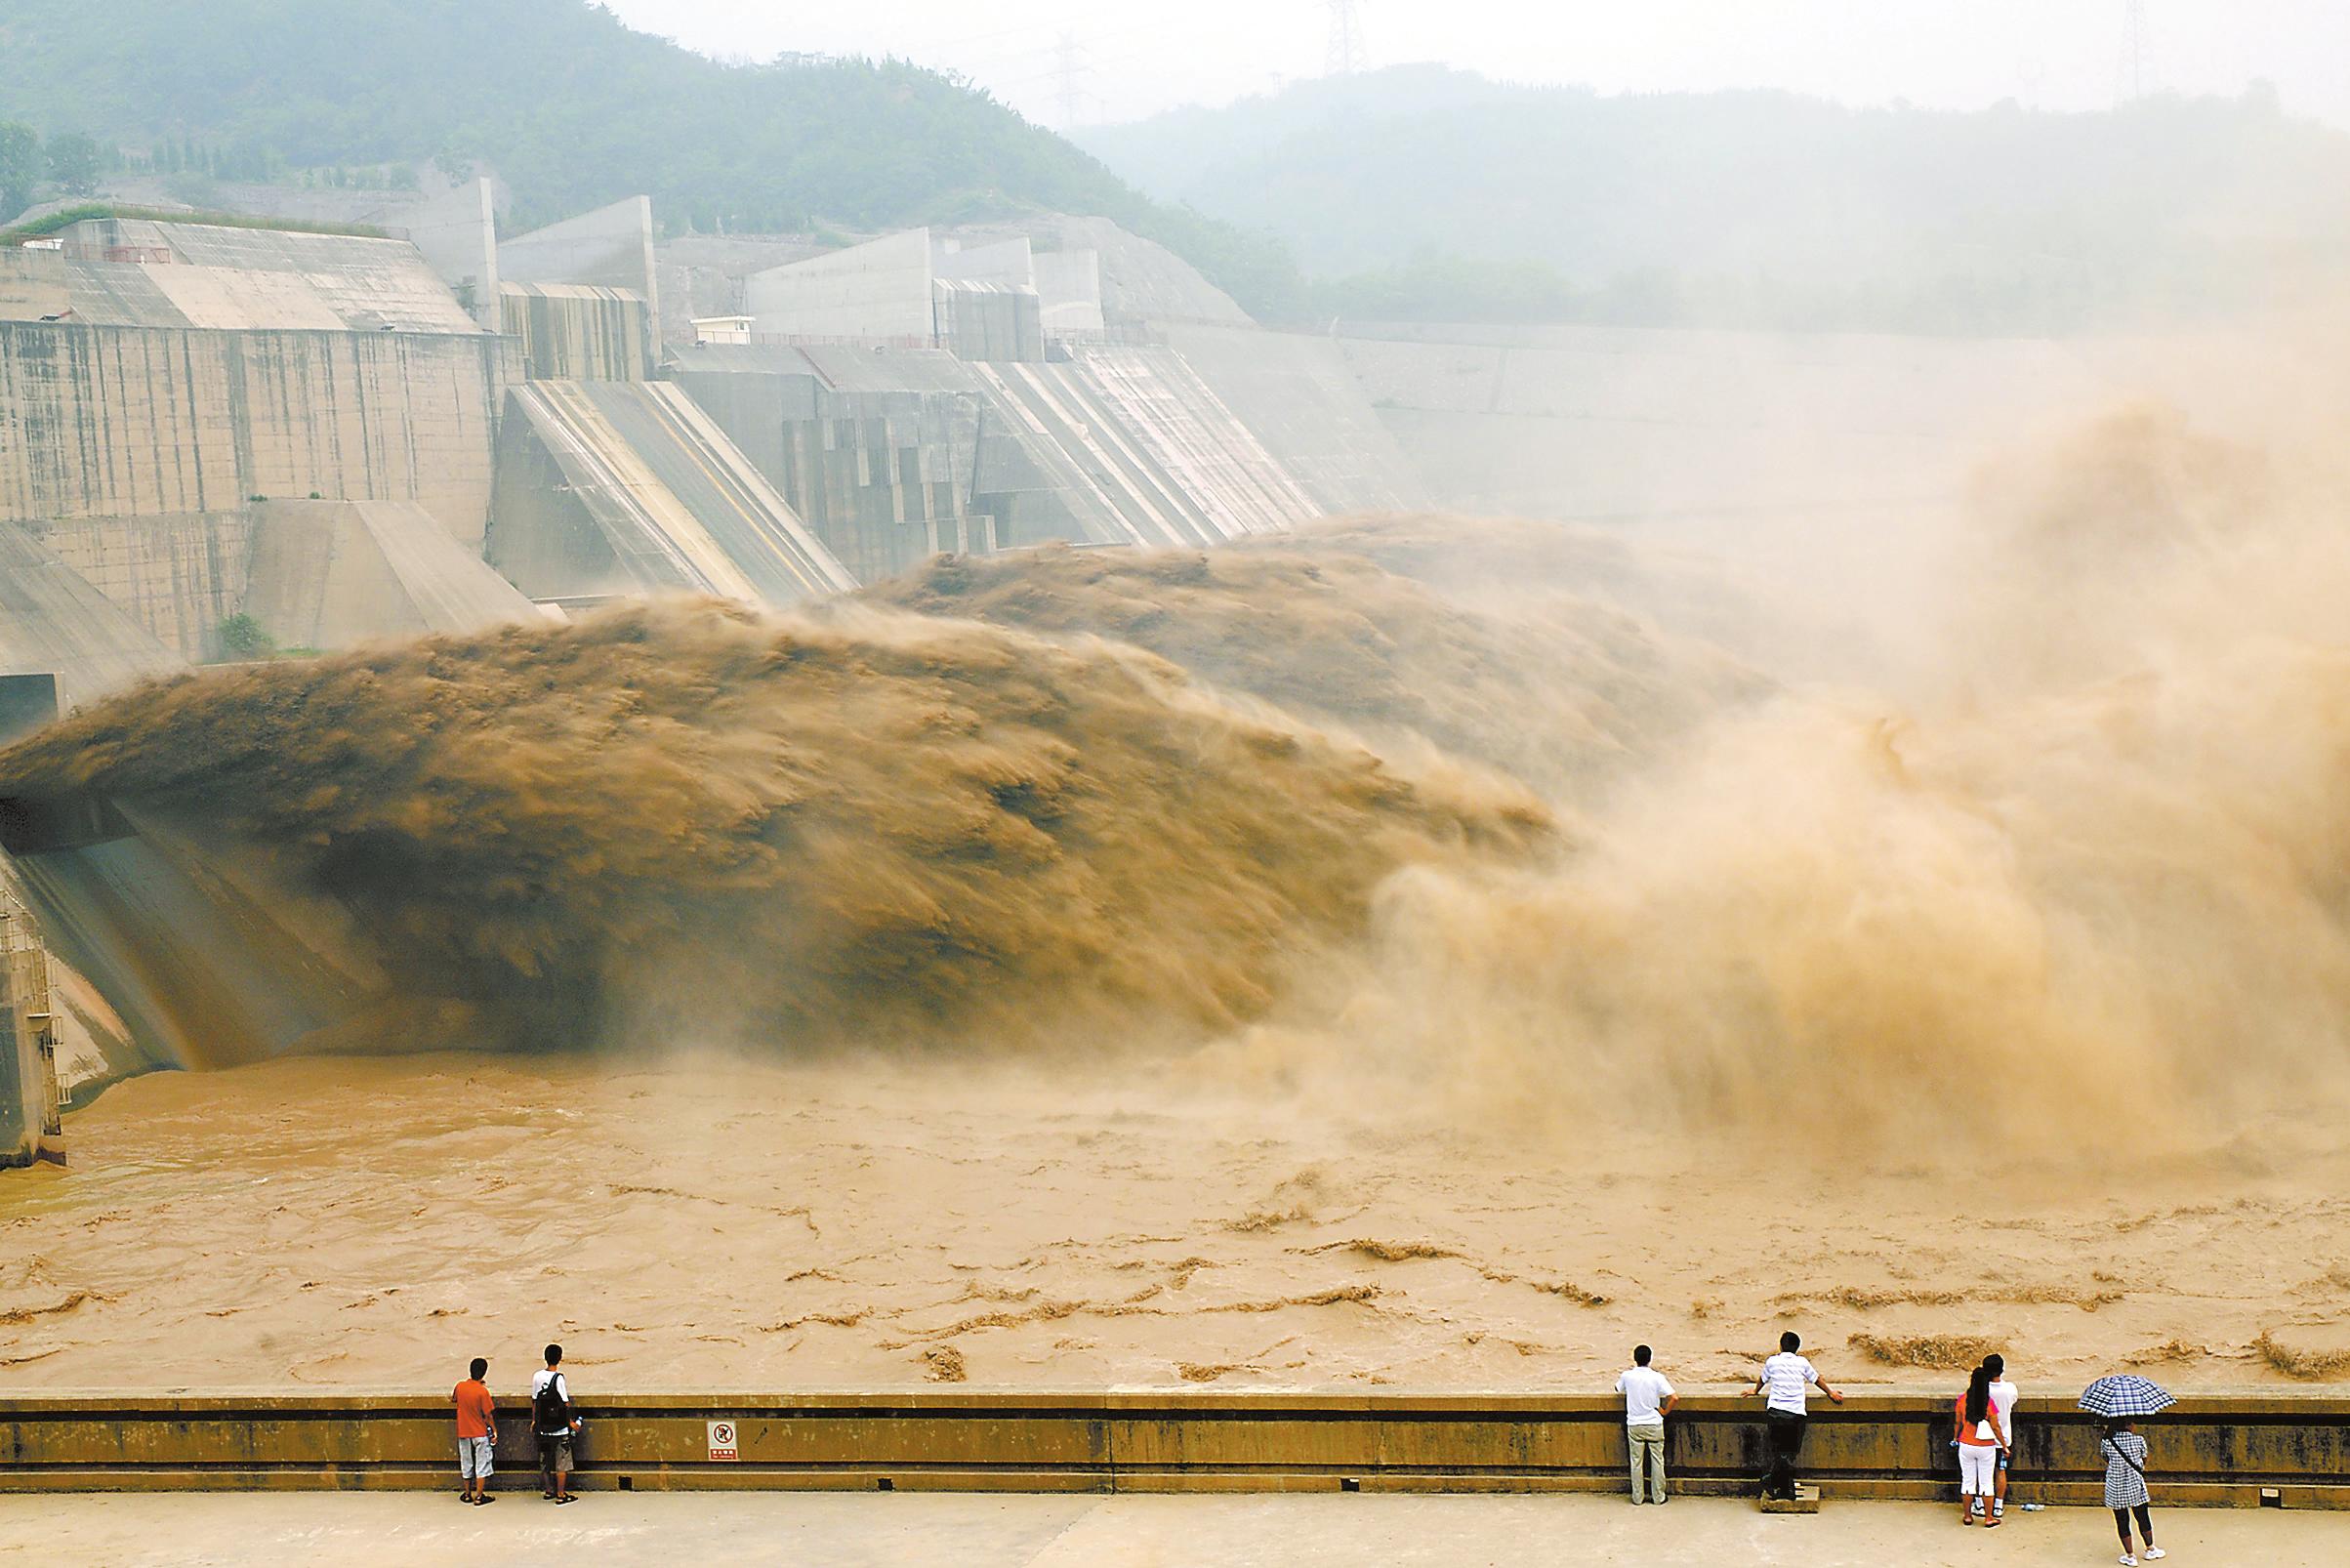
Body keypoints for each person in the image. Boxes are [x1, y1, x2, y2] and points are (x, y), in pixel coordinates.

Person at [1747, 1330, 1843, 1500]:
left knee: (1779, 1452)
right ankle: (1778, 1484)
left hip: (1775, 1412)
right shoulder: (1802, 1362)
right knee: (1789, 1453)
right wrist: (1831, 1392)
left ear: (1780, 1346)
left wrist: (1755, 1391)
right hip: (1795, 1414)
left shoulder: (1772, 1361)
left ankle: (1779, 1485)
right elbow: (1816, 1379)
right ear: (1797, 1348)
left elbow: (1763, 1379)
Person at [1614, 1344, 1678, 1504]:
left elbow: (1617, 1388)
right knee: (1657, 1461)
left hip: (1634, 1424)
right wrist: (1664, 1412)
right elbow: (1674, 1397)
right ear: (1650, 1359)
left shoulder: (1627, 1376)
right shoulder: (1657, 1377)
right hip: (1654, 1424)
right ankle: (1658, 1497)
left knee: (1636, 1462)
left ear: (1634, 1359)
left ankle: (1637, 1497)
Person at [2102, 1419, 2164, 1565]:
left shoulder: (2107, 1442)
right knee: (2143, 1517)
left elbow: (2106, 1458)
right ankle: (2150, 1549)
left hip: (2115, 1486)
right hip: (2135, 1485)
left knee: (2122, 1521)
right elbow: (2144, 1460)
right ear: (2128, 1425)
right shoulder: (2139, 1440)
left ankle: (2130, 1556)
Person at [1954, 1363, 2007, 1526]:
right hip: (1986, 1447)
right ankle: (1989, 1518)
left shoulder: (1962, 1399)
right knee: (1986, 1482)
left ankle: (1967, 1516)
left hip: (1966, 1444)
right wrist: (2004, 1445)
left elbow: (1958, 1422)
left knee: (1968, 1481)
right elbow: (1995, 1427)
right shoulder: (1988, 1403)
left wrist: (1955, 1438)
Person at [532, 1342, 583, 1504]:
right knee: (562, 1462)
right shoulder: (559, 1378)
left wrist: (535, 1420)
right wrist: (571, 1422)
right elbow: (565, 1403)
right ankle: (561, 1494)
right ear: (560, 1358)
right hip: (559, 1428)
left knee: (545, 1460)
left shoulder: (537, 1376)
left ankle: (549, 1490)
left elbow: (535, 1401)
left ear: (545, 1358)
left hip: (543, 1427)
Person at [452, 1356, 497, 1505]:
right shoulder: (482, 1392)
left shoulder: (460, 1386)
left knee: (466, 1462)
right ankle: (479, 1496)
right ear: (484, 1373)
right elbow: (488, 1415)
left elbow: (454, 1399)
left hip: (463, 1431)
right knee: (481, 1465)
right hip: (479, 1432)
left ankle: (467, 1494)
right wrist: (494, 1431)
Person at [1984, 1352, 2019, 1518]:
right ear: (2002, 1369)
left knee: (1983, 1472)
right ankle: (1998, 1505)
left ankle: (1981, 1503)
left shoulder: (1981, 1390)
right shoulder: (2010, 1389)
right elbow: (2013, 1401)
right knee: (2001, 1470)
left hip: (1982, 1438)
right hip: (2003, 1438)